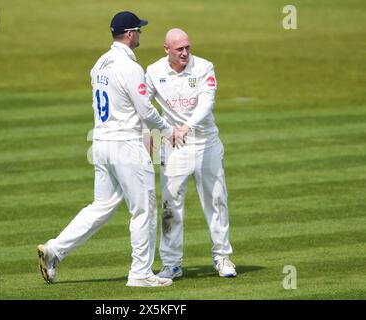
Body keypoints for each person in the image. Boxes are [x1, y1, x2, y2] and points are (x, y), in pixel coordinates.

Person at [37, 12, 185, 287]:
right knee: (144, 210)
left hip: (102, 143)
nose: (141, 34)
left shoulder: (99, 64)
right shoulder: (130, 68)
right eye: (139, 30)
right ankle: (140, 273)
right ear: (129, 34)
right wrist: (168, 131)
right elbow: (145, 111)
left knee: (101, 206)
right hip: (125, 145)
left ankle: (54, 250)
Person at [144, 28, 236, 279]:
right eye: (179, 49)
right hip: (173, 144)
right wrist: (149, 139)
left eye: (188, 47)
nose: (185, 53)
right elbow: (143, 107)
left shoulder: (204, 67)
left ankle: (222, 257)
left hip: (206, 142)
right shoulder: (153, 71)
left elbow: (207, 103)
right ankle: (172, 264)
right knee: (171, 204)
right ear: (166, 50)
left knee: (216, 199)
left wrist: (186, 126)